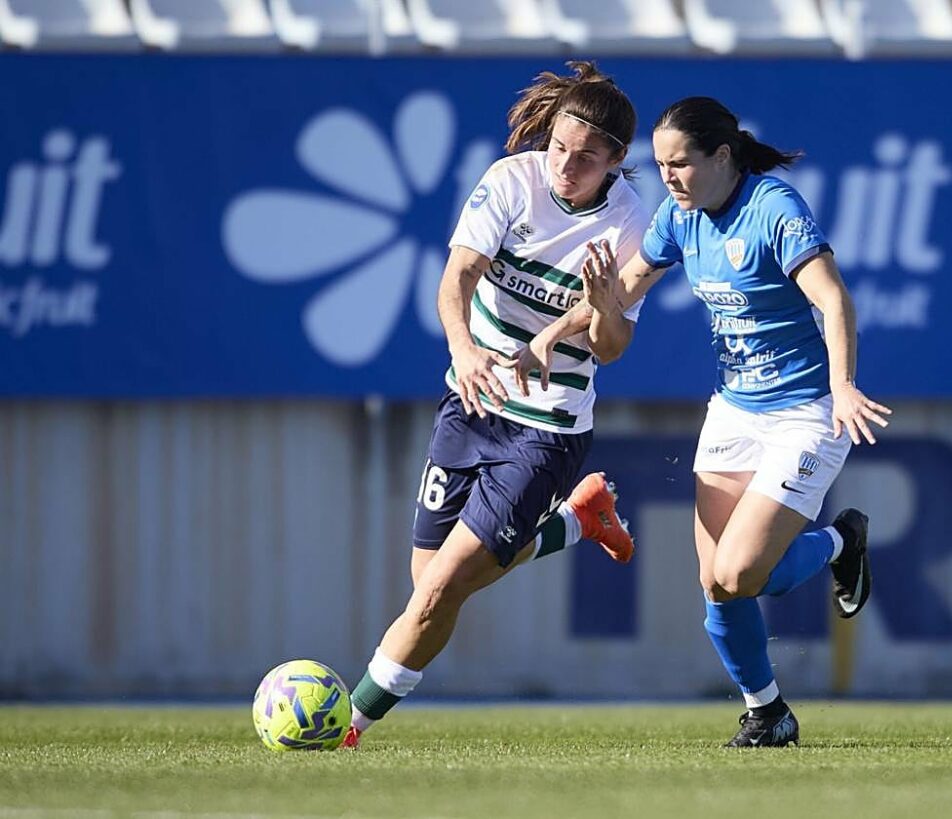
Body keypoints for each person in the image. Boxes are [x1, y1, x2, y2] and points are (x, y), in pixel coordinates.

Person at [524, 96, 892, 747]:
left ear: (722, 155)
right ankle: (768, 712)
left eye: (681, 163)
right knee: (719, 585)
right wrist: (553, 332)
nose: (668, 176)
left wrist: (842, 386)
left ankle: (839, 543)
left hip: (806, 412)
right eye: (660, 164)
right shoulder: (680, 218)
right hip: (733, 410)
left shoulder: (773, 208)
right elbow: (623, 293)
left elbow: (833, 299)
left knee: (739, 571)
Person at [341, 62, 649, 748]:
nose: (566, 166)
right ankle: (576, 522)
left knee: (440, 587)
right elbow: (457, 277)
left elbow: (614, 345)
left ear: (617, 162)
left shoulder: (630, 220)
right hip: (471, 397)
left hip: (548, 425)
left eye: (586, 158)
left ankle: (347, 726)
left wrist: (602, 303)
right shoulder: (511, 179)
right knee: (429, 579)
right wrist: (464, 348)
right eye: (560, 148)